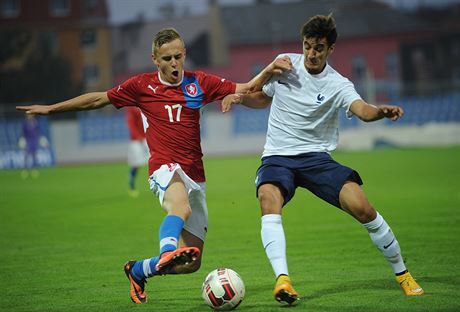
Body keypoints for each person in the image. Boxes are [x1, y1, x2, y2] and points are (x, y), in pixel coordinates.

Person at [16, 27, 291, 304]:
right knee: (179, 208)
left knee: (191, 263)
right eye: (168, 58)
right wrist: (51, 109)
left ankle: (138, 270)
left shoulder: (200, 83)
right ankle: (167, 248)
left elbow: (246, 88)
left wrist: (268, 70)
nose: (174, 63)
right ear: (155, 59)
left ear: (184, 54)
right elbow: (98, 99)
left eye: (178, 56)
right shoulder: (141, 86)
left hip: (196, 174)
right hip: (164, 167)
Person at [222, 14, 424, 304]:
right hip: (278, 156)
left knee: (364, 208)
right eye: (307, 46)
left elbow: (362, 109)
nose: (311, 53)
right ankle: (283, 280)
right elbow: (262, 98)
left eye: (318, 48)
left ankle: (402, 273)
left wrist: (380, 111)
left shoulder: (337, 83)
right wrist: (243, 98)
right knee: (268, 198)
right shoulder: (285, 64)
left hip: (317, 158)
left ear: (330, 50)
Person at [125, 106, 149, 197]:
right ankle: (132, 185)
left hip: (148, 138)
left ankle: (159, 185)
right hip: (136, 141)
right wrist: (137, 136)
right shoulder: (131, 107)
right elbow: (130, 123)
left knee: (156, 161)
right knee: (136, 164)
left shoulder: (145, 102)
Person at [19, 114, 47, 179]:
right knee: (26, 155)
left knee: (34, 155)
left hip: (34, 140)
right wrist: (22, 139)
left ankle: (35, 169)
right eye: (28, 115)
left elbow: (38, 132)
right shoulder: (25, 124)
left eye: (31, 115)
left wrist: (41, 139)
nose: (29, 116)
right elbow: (23, 133)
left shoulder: (35, 122)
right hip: (28, 140)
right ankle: (24, 169)